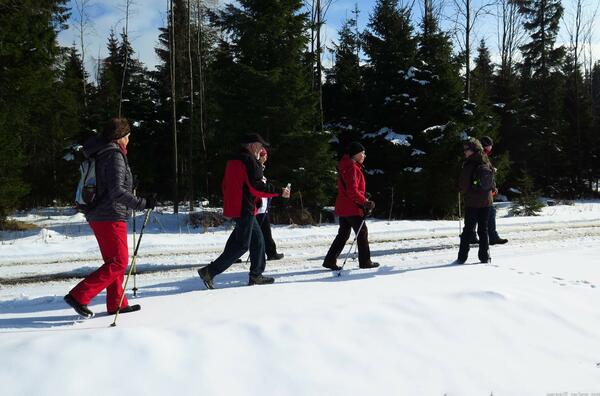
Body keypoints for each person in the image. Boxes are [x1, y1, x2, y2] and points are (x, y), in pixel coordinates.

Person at [64, 118, 155, 318]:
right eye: (128, 136)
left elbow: (112, 184)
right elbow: (116, 192)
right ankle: (79, 296)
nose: (129, 139)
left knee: (112, 261)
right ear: (120, 137)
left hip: (100, 213)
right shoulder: (114, 155)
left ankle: (117, 303)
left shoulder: (102, 152)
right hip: (110, 214)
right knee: (119, 262)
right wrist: (142, 203)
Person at [198, 134, 290, 289]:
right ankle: (209, 272)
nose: (262, 150)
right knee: (241, 245)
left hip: (237, 206)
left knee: (258, 240)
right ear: (253, 145)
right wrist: (279, 191)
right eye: (260, 146)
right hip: (244, 207)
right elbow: (257, 186)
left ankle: (256, 275)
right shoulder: (249, 161)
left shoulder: (233, 159)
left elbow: (225, 185)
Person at [323, 142, 379, 270]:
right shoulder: (352, 167)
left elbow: (351, 189)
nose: (364, 155)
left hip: (344, 206)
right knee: (362, 232)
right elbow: (352, 191)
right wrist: (364, 201)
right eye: (362, 153)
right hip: (352, 207)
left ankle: (330, 260)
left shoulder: (347, 166)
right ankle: (365, 262)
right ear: (356, 154)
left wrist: (364, 195)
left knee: (343, 234)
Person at [457, 138, 494, 264]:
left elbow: (464, 184)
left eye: (466, 150)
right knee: (483, 230)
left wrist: (460, 189)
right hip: (487, 202)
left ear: (473, 150)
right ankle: (484, 257)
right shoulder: (486, 160)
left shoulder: (469, 164)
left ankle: (462, 257)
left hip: (472, 202)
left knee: (468, 229)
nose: (464, 152)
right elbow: (492, 180)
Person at [256, 148, 284, 261]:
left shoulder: (260, 168)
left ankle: (271, 252)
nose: (266, 157)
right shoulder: (256, 169)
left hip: (262, 207)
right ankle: (271, 253)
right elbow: (260, 187)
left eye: (266, 155)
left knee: (265, 231)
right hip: (258, 207)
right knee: (245, 233)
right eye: (263, 155)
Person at [480, 136, 508, 245]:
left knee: (474, 213)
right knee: (490, 212)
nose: (491, 147)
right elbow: (486, 175)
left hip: (480, 190)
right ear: (486, 146)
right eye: (490, 145)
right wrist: (492, 187)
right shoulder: (482, 157)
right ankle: (493, 237)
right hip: (484, 191)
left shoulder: (478, 156)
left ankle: (470, 235)